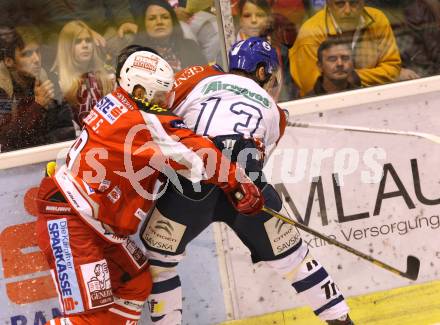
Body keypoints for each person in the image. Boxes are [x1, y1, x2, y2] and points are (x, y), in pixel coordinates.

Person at [36, 44, 264, 324]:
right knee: (90, 319)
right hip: (72, 221)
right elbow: (197, 153)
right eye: (159, 95)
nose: (166, 101)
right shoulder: (142, 120)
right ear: (140, 91)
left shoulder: (120, 100)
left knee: (136, 283)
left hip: (95, 222)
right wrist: (237, 182)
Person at [140, 37, 353, 325]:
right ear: (263, 72)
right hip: (245, 180)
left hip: (194, 177)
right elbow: (258, 155)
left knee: (159, 263)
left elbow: (161, 114)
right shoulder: (276, 113)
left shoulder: (200, 75)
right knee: (295, 260)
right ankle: (341, 320)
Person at [289, 0, 401, 97]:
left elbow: (393, 69)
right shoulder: (311, 33)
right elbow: (315, 87)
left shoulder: (377, 20)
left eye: (354, 3)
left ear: (363, 2)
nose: (347, 10)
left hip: (375, 97)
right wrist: (370, 76)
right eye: (340, 3)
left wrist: (355, 77)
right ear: (328, 3)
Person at [0, 26, 75, 152]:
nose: (36, 59)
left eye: (37, 52)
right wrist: (37, 105)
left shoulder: (49, 79)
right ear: (9, 61)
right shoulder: (2, 90)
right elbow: (6, 140)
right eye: (27, 54)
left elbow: (65, 129)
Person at [51, 20, 115, 128]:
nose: (85, 45)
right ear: (67, 47)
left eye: (88, 40)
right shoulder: (56, 81)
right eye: (78, 41)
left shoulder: (106, 77)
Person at [133, 0, 207, 71]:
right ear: (143, 25)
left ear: (173, 22)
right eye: (152, 18)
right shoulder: (135, 55)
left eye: (165, 17)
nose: (159, 22)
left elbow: (205, 77)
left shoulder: (190, 46)